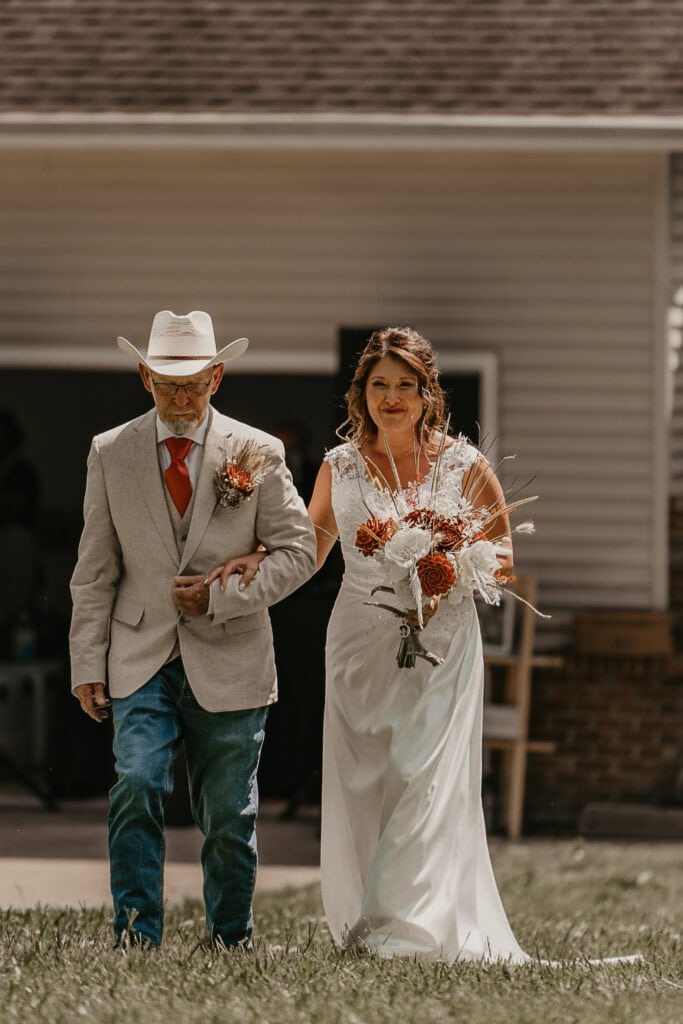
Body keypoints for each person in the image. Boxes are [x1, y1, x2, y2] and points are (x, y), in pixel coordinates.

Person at [209, 325, 527, 961]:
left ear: (426, 393)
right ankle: (371, 915)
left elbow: (504, 558)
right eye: (379, 385)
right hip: (358, 638)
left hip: (443, 640)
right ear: (362, 393)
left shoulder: (465, 466)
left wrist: (448, 567)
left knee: (421, 771)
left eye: (405, 386)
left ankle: (403, 931)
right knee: (366, 779)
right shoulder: (341, 466)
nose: (391, 397)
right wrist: (251, 558)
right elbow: (312, 546)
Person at [69, 310, 316, 948]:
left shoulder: (258, 452)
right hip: (139, 653)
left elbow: (298, 553)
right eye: (167, 383)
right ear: (143, 376)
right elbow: (94, 571)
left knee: (230, 815)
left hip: (231, 655)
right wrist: (87, 665)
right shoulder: (109, 451)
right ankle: (134, 935)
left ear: (218, 377)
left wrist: (223, 598)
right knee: (138, 783)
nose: (181, 397)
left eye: (195, 383)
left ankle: (230, 939)